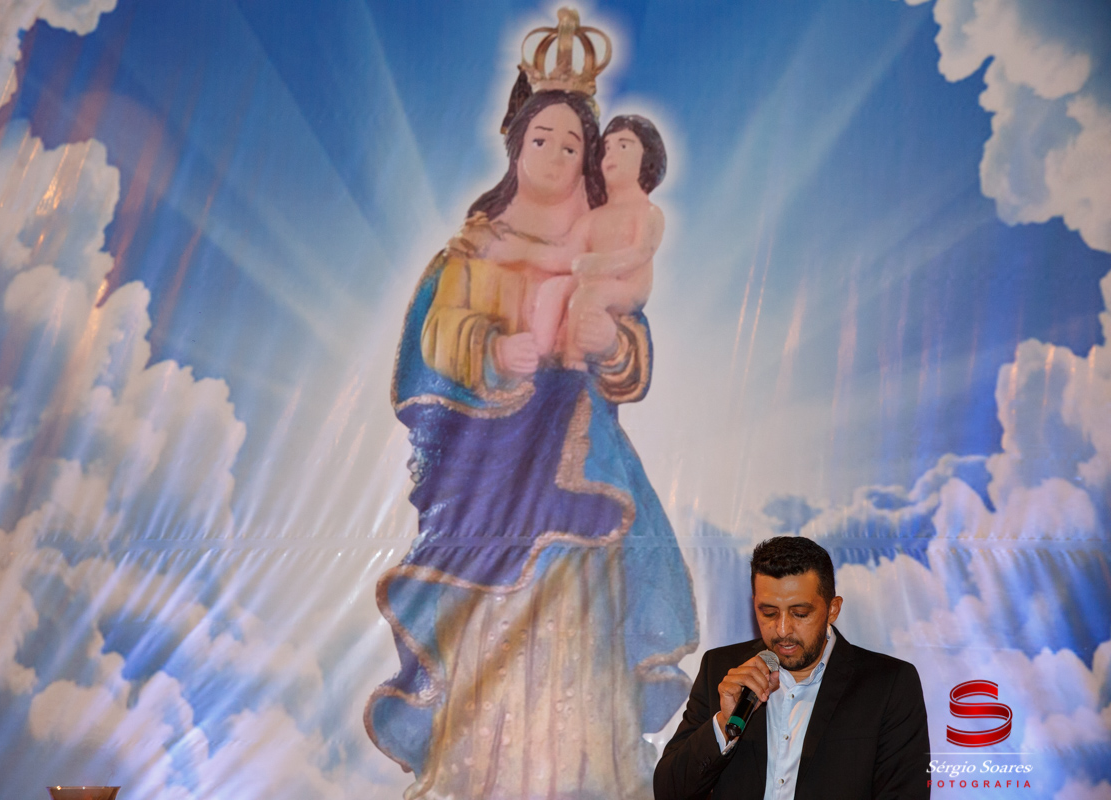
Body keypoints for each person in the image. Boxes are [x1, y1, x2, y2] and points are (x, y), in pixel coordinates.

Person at [366, 89, 698, 800]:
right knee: (485, 631)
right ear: (517, 147)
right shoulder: (472, 250)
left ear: (589, 163)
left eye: (572, 146)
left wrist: (613, 345)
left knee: (579, 624)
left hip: (577, 468)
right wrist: (490, 349)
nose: (554, 155)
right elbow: (432, 339)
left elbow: (628, 343)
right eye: (541, 138)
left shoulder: (599, 245)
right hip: (487, 474)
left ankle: (585, 778)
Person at [654, 536, 931, 800]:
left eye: (800, 613)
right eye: (769, 613)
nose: (783, 629)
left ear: (832, 610)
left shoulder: (888, 684)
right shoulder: (723, 669)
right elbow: (669, 791)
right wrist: (724, 724)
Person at [488, 114, 667, 371]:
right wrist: (523, 252)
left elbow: (641, 252)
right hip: (591, 277)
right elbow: (565, 258)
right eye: (607, 148)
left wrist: (601, 265)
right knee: (555, 287)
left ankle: (574, 359)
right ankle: (539, 351)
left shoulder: (648, 213)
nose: (611, 155)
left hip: (626, 287)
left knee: (589, 293)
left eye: (623, 146)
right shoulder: (592, 219)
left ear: (648, 158)